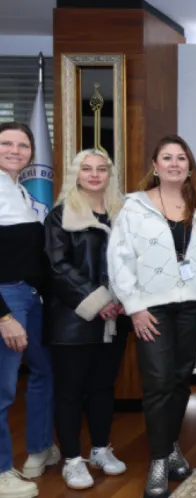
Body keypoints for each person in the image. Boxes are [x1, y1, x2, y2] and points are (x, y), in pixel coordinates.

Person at [107, 135, 196, 498]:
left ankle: (169, 447)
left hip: (193, 306)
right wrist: (134, 307)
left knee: (181, 379)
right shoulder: (133, 206)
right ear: (155, 165)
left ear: (189, 165)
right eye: (166, 157)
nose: (174, 163)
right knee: (157, 382)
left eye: (181, 158)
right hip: (150, 308)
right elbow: (118, 259)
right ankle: (157, 460)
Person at [44, 149, 130, 490]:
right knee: (69, 392)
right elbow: (58, 267)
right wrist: (99, 301)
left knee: (103, 389)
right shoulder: (60, 215)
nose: (94, 175)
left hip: (115, 320)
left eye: (101, 169)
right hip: (72, 320)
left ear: (110, 175)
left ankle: (100, 449)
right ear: (75, 175)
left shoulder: (123, 214)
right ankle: (72, 460)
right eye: (86, 169)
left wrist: (123, 299)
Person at [0, 122, 57, 498]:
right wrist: (3, 315)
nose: (15, 150)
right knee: (3, 389)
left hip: (31, 297)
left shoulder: (18, 189)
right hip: (7, 300)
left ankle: (39, 447)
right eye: (6, 143)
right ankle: (2, 471)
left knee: (45, 371)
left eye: (23, 145)